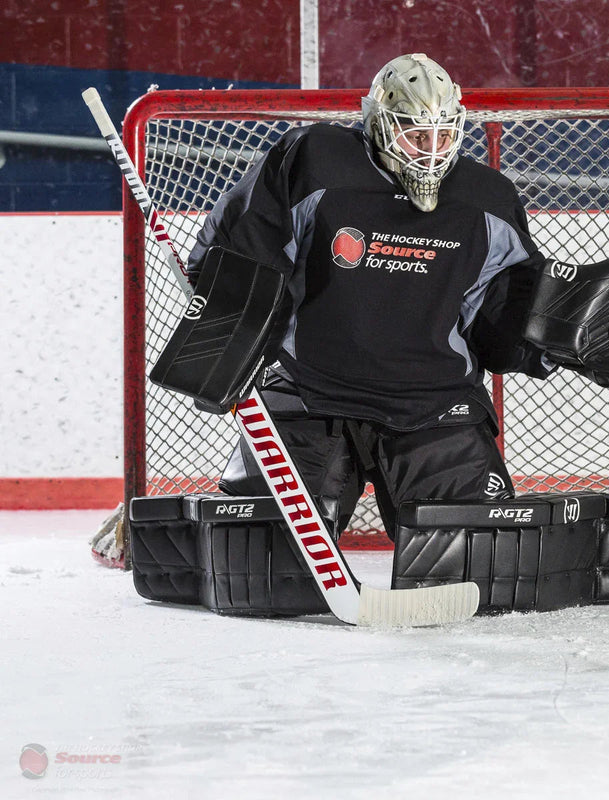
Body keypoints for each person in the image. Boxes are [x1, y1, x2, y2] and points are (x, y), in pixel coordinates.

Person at [186, 53, 557, 539]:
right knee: (261, 560)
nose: (431, 151)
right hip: (310, 392)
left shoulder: (486, 199)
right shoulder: (315, 163)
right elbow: (244, 251)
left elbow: (499, 319)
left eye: (443, 135)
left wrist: (556, 339)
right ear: (380, 124)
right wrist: (225, 345)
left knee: (476, 563)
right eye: (416, 134)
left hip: (436, 402)